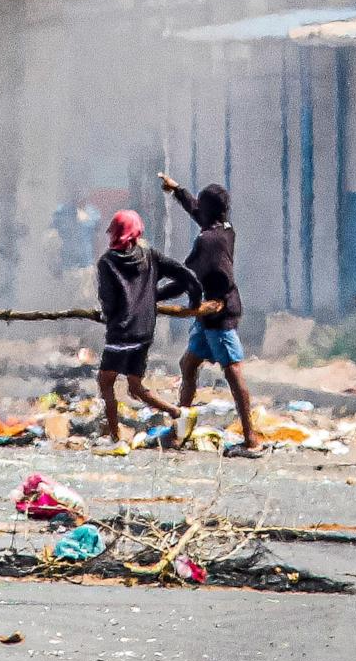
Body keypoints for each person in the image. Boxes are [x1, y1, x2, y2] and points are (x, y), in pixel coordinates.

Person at [160, 175, 265, 458]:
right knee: (188, 363)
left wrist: (153, 295)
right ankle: (180, 430)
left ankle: (251, 440)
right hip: (208, 314)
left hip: (219, 313)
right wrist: (177, 191)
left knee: (233, 373)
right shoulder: (225, 229)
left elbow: (187, 280)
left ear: (209, 212)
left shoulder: (208, 242)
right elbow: (198, 211)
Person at [95, 210, 202, 445]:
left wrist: (107, 315)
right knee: (135, 386)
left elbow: (109, 302)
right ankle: (178, 413)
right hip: (144, 333)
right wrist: (192, 302)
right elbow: (188, 277)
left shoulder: (107, 262)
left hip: (121, 332)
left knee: (105, 381)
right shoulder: (150, 256)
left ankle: (115, 439)